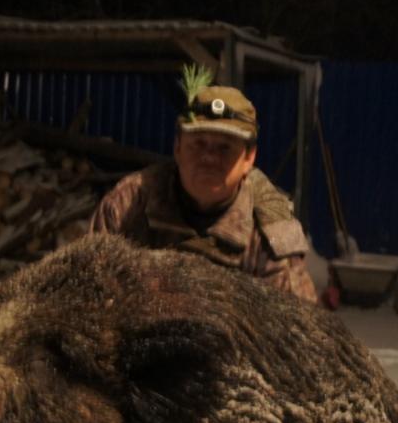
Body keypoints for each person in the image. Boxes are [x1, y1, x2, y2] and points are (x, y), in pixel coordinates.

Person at [88, 78, 318, 303]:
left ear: (249, 157)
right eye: (198, 143)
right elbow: (87, 297)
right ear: (177, 147)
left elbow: (295, 333)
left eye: (224, 147)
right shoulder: (128, 205)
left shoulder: (271, 232)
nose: (209, 157)